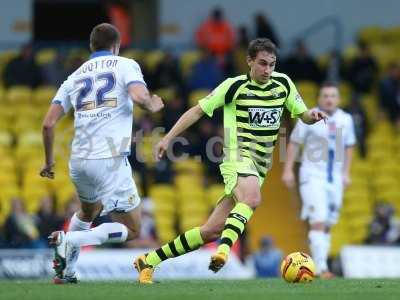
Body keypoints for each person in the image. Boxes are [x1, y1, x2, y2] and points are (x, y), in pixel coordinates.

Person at [134, 38, 328, 284]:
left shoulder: (283, 84)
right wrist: (167, 138)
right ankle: (224, 251)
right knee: (253, 198)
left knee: (210, 230)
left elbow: (304, 115)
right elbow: (196, 111)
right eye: (262, 64)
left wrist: (314, 115)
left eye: (272, 64)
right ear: (249, 61)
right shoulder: (233, 86)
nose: (268, 70)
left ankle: (148, 261)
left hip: (260, 166)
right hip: (236, 157)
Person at [39, 23, 164, 284]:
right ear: (116, 46)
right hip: (109, 159)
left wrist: (49, 161)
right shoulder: (125, 64)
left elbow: (48, 123)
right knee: (132, 229)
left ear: (91, 47)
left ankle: (65, 273)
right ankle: (70, 239)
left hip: (79, 161)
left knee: (88, 211)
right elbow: (139, 96)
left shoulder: (74, 76)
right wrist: (153, 103)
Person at [282, 82, 356, 278]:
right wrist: (288, 170)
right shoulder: (309, 117)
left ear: (338, 99)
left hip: (335, 179)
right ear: (319, 98)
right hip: (312, 176)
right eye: (325, 95)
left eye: (333, 95)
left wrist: (346, 173)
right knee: (318, 220)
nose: (329, 99)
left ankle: (320, 263)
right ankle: (321, 268)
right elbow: (295, 143)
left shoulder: (346, 119)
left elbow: (349, 146)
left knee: (328, 223)